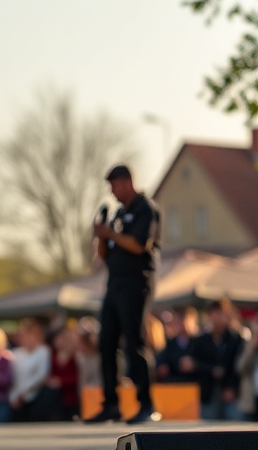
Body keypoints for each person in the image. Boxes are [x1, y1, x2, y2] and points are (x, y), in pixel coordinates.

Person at [86, 164, 162, 424]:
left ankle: (146, 404)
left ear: (127, 182)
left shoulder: (145, 209)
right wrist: (100, 235)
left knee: (134, 342)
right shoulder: (118, 213)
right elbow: (102, 256)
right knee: (106, 342)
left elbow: (140, 245)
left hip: (136, 283)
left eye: (114, 185)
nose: (112, 192)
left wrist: (111, 234)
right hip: (115, 284)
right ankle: (111, 404)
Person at [189, 299, 244, 420]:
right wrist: (211, 370)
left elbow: (238, 366)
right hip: (207, 394)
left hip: (230, 395)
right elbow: (192, 364)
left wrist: (232, 387)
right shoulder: (200, 341)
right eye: (215, 314)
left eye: (221, 314)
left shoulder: (235, 340)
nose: (218, 318)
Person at [8, 318, 52, 421]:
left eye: (29, 335)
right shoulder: (16, 353)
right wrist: (14, 396)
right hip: (18, 400)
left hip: (36, 399)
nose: (27, 338)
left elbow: (42, 376)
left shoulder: (43, 351)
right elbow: (14, 378)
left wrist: (24, 393)